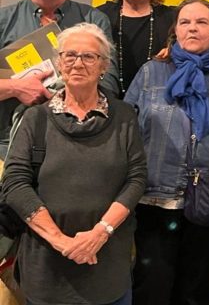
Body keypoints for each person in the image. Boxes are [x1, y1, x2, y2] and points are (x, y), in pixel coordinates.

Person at [2, 23, 147, 305]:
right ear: (59, 63)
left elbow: (136, 177)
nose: (78, 63)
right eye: (70, 55)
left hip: (107, 261)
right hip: (46, 266)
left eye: (89, 56)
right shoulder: (35, 118)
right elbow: (15, 184)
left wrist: (99, 233)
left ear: (103, 66)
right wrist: (62, 242)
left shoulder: (125, 116)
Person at [124, 0, 209, 305]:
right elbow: (126, 132)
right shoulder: (151, 72)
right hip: (155, 196)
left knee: (197, 290)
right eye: (185, 22)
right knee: (152, 288)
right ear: (175, 30)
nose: (193, 28)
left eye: (202, 22)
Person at [0, 0, 118, 157]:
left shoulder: (94, 19)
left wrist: (64, 93)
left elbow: (109, 83)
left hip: (75, 143)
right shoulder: (3, 20)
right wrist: (17, 88)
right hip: (7, 145)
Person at [97, 0, 175, 97]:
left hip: (156, 103)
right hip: (108, 101)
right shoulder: (100, 16)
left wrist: (176, 51)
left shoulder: (172, 18)